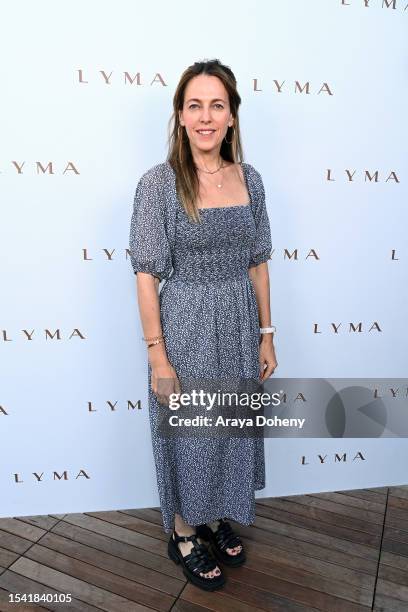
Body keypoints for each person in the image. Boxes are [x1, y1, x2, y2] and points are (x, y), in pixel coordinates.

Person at [129, 59, 277, 591]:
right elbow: (147, 273)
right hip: (187, 324)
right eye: (196, 105)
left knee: (229, 427)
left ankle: (216, 515)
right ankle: (185, 531)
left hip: (238, 323)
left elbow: (257, 260)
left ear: (232, 116)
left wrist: (266, 333)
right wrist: (157, 357)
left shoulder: (250, 179)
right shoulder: (160, 184)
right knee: (192, 431)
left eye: (218, 105)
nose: (207, 116)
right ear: (181, 116)